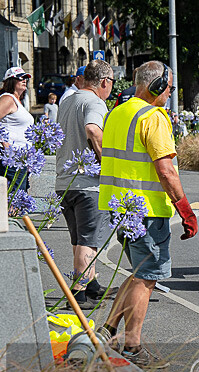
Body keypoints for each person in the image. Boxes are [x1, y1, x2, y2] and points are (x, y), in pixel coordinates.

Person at [97, 61, 198, 368]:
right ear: (156, 88)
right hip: (146, 211)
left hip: (121, 207)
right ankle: (132, 347)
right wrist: (186, 210)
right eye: (169, 88)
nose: (170, 94)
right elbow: (166, 170)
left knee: (138, 272)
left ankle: (109, 330)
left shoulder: (118, 112)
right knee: (147, 277)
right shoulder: (153, 117)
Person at [55, 59, 116, 308]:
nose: (111, 87)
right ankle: (78, 294)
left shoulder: (68, 99)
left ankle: (90, 284)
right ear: (103, 82)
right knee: (88, 240)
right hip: (87, 183)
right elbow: (93, 129)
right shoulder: (95, 102)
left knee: (78, 239)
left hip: (64, 181)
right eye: (111, 82)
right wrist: (106, 164)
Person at [0, 67, 34, 192]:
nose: (24, 80)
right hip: (12, 158)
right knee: (13, 200)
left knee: (19, 199)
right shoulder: (8, 99)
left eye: (26, 78)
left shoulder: (19, 101)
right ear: (11, 81)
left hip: (21, 159)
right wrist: (3, 142)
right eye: (20, 77)